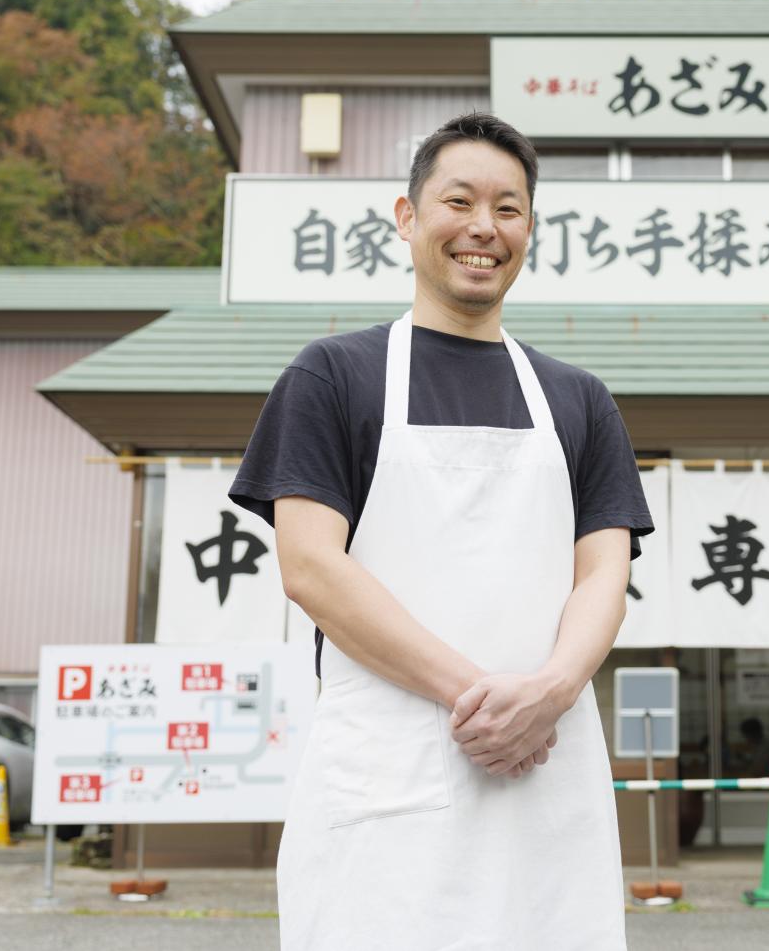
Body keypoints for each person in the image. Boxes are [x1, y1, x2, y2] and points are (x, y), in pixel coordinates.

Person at [229, 112, 652, 950]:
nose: (483, 228)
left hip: (546, 767)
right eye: (459, 200)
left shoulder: (578, 398)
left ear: (530, 228)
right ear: (407, 216)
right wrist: (484, 701)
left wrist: (553, 690)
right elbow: (311, 567)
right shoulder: (334, 375)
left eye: (509, 208)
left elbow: (603, 574)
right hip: (389, 777)